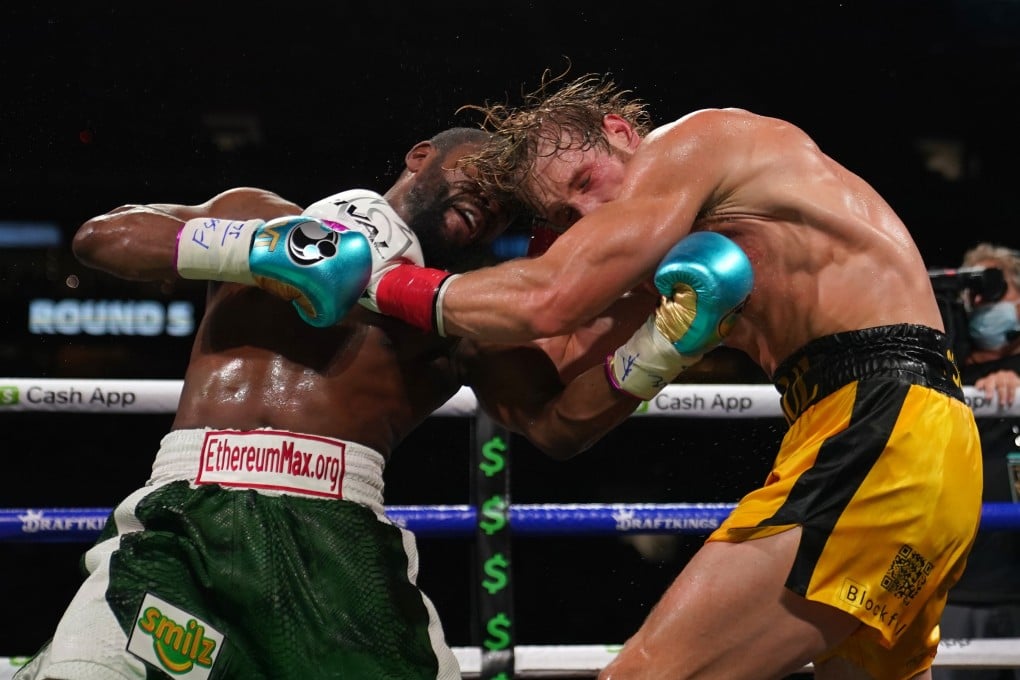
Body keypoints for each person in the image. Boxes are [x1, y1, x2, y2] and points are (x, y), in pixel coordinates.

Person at [16, 125, 748, 680]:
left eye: (508, 201)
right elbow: (102, 237)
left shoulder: (458, 317)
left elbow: (557, 427)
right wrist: (264, 249)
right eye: (482, 171)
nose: (493, 196)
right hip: (181, 522)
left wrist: (663, 345)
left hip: (340, 551)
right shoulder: (262, 212)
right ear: (422, 154)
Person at [360, 74, 985, 679]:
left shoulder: (695, 141)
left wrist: (377, 279)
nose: (591, 209)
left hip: (882, 432)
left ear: (621, 132)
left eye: (585, 179)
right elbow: (552, 400)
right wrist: (464, 320)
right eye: (567, 211)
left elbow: (551, 298)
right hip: (895, 441)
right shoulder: (676, 256)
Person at [933, 243, 1020, 680]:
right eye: (975, 293)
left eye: (997, 290)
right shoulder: (938, 376)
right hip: (956, 592)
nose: (984, 303)